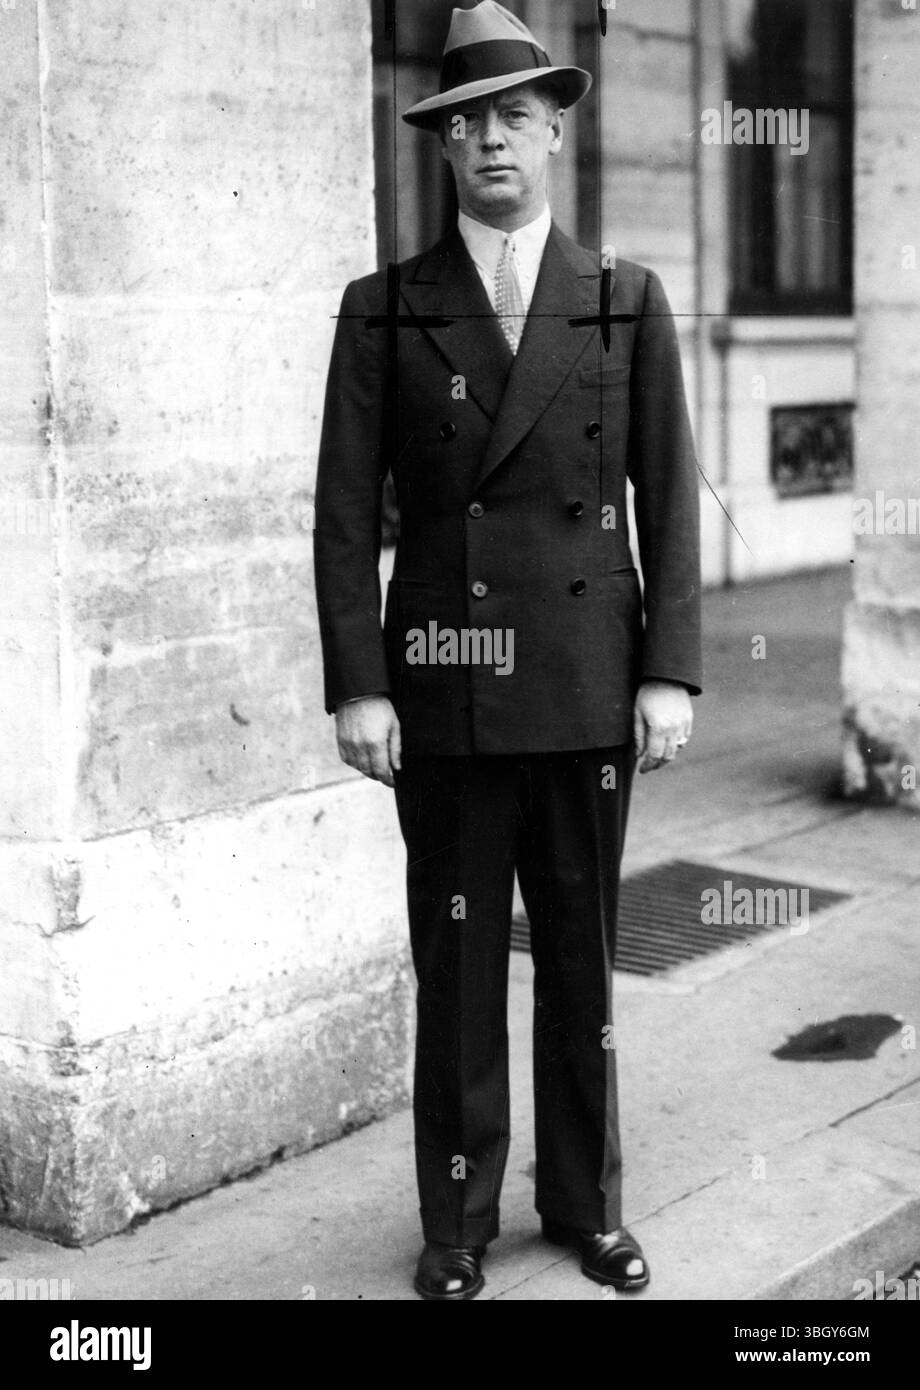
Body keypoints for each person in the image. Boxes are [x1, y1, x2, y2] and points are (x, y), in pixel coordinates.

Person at [314, 0, 701, 1301]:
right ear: (441, 145)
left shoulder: (623, 300)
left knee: (582, 962)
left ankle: (588, 1206)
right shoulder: (383, 311)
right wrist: (360, 684)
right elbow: (338, 509)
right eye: (466, 119)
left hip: (592, 682)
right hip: (446, 687)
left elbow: (670, 492)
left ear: (554, 130)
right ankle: (460, 1222)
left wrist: (669, 668)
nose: (492, 139)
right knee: (463, 960)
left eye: (513, 116)